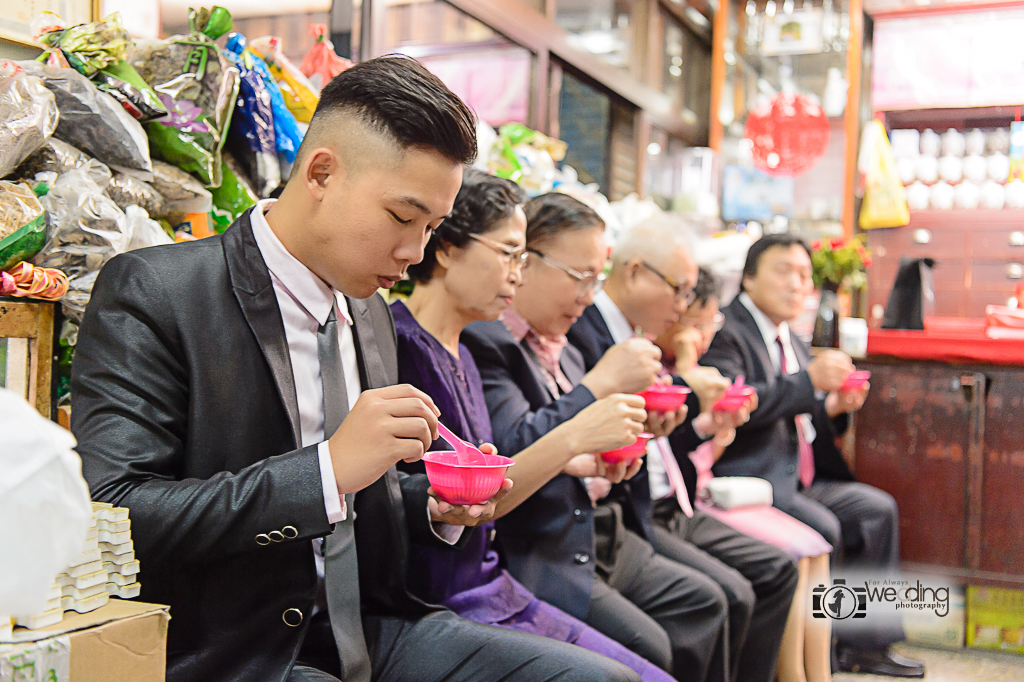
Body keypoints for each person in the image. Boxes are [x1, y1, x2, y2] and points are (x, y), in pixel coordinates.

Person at [71, 56, 642, 682]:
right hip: (243, 647)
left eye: (431, 226)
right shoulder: (160, 291)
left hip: (375, 626)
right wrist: (325, 470)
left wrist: (432, 506)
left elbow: (364, 503)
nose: (415, 251)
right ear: (321, 173)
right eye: (402, 217)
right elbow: (117, 514)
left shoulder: (369, 310)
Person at [391, 167, 675, 682]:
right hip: (438, 597)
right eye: (508, 253)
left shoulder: (468, 353)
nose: (517, 274)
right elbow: (472, 499)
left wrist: (580, 454)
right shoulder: (401, 344)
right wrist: (575, 435)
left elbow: (488, 492)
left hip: (491, 581)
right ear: (448, 247)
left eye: (523, 258)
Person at [463, 193, 736, 682]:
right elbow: (509, 453)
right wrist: (601, 384)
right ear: (526, 259)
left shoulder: (561, 347)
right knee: (653, 643)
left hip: (600, 530)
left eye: (596, 280)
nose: (589, 296)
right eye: (580, 277)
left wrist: (629, 439)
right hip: (545, 546)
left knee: (708, 602)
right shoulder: (488, 342)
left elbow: (578, 444)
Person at [566, 217, 800, 682]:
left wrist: (701, 422)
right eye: (679, 289)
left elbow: (652, 440)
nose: (683, 305)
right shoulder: (585, 333)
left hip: (658, 503)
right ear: (632, 272)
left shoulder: (636, 338)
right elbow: (578, 433)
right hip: (620, 516)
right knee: (719, 597)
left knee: (773, 572)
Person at [700, 233, 924, 678]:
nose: (797, 284)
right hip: (753, 477)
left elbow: (804, 418)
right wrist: (809, 382)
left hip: (799, 475)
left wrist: (834, 409)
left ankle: (865, 643)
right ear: (748, 277)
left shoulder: (791, 338)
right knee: (826, 526)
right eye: (784, 271)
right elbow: (737, 405)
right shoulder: (726, 332)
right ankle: (820, 651)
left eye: (804, 275)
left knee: (877, 511)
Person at [670, 266, 833, 682]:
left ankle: (819, 674)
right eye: (699, 324)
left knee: (816, 549)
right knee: (792, 559)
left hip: (721, 488)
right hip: (708, 494)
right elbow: (688, 449)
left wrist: (719, 425)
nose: (705, 335)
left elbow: (702, 440)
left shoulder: (789, 338)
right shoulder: (684, 366)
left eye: (710, 324)